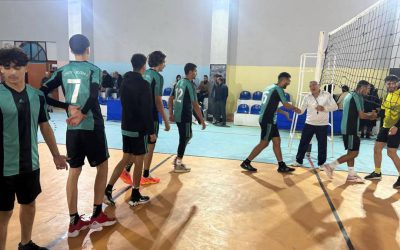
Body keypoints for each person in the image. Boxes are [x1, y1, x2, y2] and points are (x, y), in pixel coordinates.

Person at [40, 34, 116, 238]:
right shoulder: (94, 70)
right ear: (88, 49)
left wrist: (65, 106)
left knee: (74, 171)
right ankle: (97, 214)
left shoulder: (62, 71)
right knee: (102, 167)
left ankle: (74, 221)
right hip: (92, 126)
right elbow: (92, 96)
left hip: (72, 127)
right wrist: (83, 113)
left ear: (71, 49)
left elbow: (42, 93)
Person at [0, 47, 68, 250]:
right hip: (3, 167)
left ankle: (26, 243)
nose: (12, 72)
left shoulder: (36, 96)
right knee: (3, 213)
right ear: (1, 69)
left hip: (30, 164)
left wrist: (56, 155)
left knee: (29, 204)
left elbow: (45, 126)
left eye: (17, 67)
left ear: (25, 68)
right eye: (7, 67)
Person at [104, 54, 156, 206]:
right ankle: (135, 194)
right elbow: (146, 110)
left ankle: (107, 189)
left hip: (125, 126)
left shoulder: (124, 81)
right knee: (139, 159)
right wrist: (151, 131)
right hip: (138, 127)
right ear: (143, 66)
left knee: (126, 157)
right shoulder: (144, 84)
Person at [119, 51, 170, 186]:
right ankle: (144, 175)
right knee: (149, 147)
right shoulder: (157, 77)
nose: (165, 65)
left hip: (134, 117)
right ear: (159, 63)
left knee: (138, 147)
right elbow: (158, 101)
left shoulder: (143, 74)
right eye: (164, 62)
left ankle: (127, 170)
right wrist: (165, 120)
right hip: (150, 116)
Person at [240, 72, 302, 173]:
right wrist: (295, 108)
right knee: (264, 143)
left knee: (277, 141)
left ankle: (281, 165)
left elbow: (270, 105)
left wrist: (284, 113)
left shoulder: (269, 88)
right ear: (284, 80)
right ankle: (246, 162)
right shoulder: (278, 89)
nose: (289, 83)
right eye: (288, 80)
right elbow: (286, 104)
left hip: (269, 119)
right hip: (267, 120)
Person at [323, 80, 377, 183]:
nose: (368, 91)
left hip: (348, 128)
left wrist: (370, 114)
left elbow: (356, 113)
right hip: (351, 128)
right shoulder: (358, 97)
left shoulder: (350, 95)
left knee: (351, 152)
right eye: (368, 89)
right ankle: (330, 166)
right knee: (354, 153)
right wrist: (372, 116)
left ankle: (351, 175)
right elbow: (361, 115)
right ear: (362, 87)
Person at [168, 63, 206, 172]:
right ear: (190, 72)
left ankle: (178, 159)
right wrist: (202, 121)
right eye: (195, 71)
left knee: (186, 137)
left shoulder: (178, 82)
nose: (196, 73)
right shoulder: (189, 85)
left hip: (178, 115)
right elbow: (195, 105)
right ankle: (178, 163)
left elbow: (170, 99)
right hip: (185, 116)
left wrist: (171, 113)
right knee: (184, 138)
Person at [365, 75, 400, 189]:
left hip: (397, 127)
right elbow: (383, 112)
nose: (390, 85)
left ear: (397, 83)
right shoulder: (386, 96)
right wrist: (373, 116)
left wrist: (396, 126)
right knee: (377, 148)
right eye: (388, 83)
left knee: (391, 152)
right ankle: (377, 172)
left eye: (393, 83)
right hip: (385, 126)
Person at [292, 81, 338, 169]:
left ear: (319, 86)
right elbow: (301, 111)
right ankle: (298, 161)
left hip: (322, 124)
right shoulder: (307, 97)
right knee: (303, 142)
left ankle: (321, 163)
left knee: (322, 144)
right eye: (310, 86)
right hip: (309, 123)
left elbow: (335, 107)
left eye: (314, 85)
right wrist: (296, 110)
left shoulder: (327, 95)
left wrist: (324, 108)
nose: (312, 87)